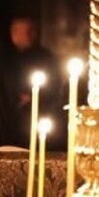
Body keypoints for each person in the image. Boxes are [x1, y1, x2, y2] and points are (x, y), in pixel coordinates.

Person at [1, 14, 62, 148]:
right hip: (7, 120)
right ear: (14, 33)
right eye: (27, 32)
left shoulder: (47, 58)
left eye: (33, 31)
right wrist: (13, 98)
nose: (31, 36)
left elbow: (55, 85)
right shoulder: (5, 59)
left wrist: (35, 96)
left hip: (37, 116)